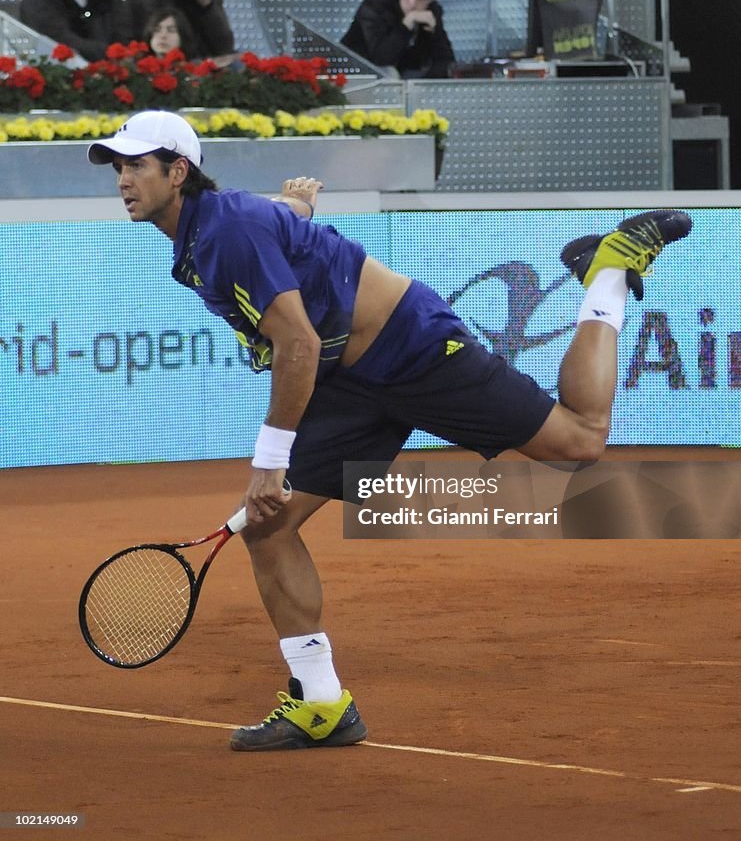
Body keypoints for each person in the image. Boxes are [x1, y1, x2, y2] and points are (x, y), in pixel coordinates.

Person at [87, 109, 692, 752]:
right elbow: (282, 229)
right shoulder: (208, 229)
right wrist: (295, 204)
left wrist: (270, 460)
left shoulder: (224, 232)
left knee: (578, 443)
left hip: (411, 349)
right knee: (268, 527)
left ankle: (607, 271)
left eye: (136, 166)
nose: (124, 179)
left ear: (178, 171)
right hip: (348, 382)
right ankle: (322, 705)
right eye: (118, 167)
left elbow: (296, 345)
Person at [341, 0, 455, 79]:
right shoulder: (375, 6)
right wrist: (406, 25)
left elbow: (446, 60)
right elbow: (381, 58)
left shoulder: (431, 12)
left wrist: (433, 34)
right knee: (390, 73)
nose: (412, 3)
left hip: (402, 76)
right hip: (356, 73)